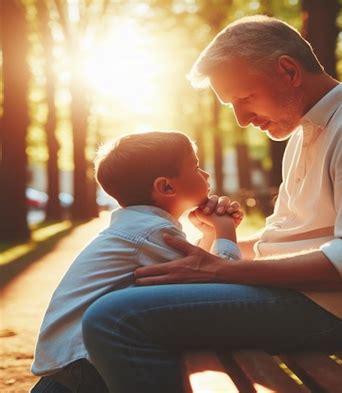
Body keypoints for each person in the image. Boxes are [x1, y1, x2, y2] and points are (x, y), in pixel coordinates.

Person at [81, 15, 342, 393]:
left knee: (115, 318)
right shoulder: (309, 134)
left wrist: (220, 271)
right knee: (121, 295)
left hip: (338, 309)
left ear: (288, 71)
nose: (240, 119)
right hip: (306, 297)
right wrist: (217, 245)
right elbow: (282, 241)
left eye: (244, 98)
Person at [30, 131, 243, 393]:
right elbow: (217, 288)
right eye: (196, 167)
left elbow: (195, 274)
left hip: (72, 370)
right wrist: (226, 232)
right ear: (166, 186)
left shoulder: (140, 226)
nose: (206, 175)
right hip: (84, 372)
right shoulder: (151, 233)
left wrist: (209, 233)